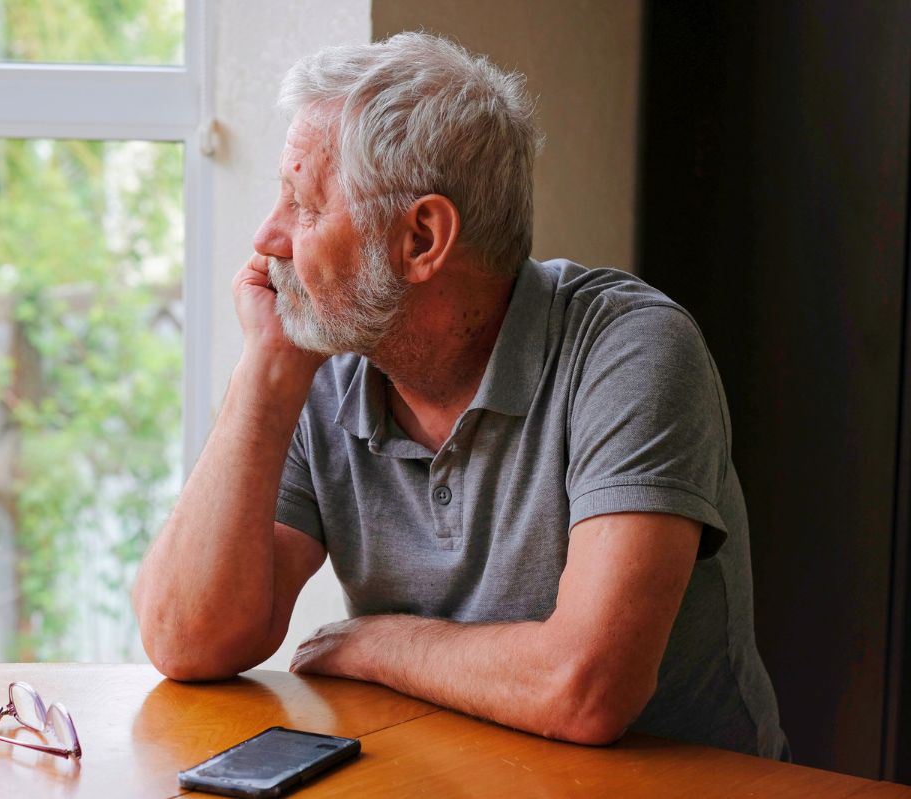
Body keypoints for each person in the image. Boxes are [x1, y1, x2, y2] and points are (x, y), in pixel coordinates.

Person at [132, 32, 788, 759]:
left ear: (422, 239)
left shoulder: (632, 350)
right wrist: (266, 370)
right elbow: (187, 639)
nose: (268, 235)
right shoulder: (330, 361)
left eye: (304, 204)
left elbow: (587, 686)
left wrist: (375, 642)